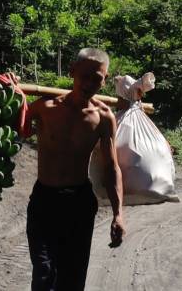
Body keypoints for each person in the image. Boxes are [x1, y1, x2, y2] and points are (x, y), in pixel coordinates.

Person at [26, 47, 126, 291]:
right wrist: (9, 90)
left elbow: (111, 167)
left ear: (105, 80)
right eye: (85, 76)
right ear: (72, 72)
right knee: (44, 273)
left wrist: (118, 213)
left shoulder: (103, 117)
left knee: (72, 278)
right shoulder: (44, 107)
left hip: (78, 204)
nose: (90, 83)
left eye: (98, 78)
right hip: (44, 200)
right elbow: (16, 130)